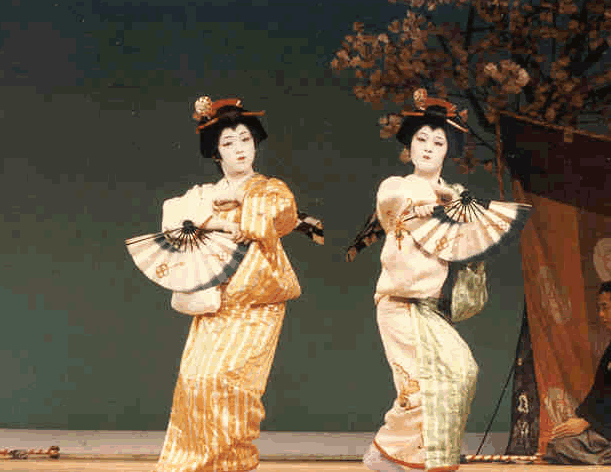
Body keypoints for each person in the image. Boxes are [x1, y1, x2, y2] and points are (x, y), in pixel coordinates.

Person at [154, 96, 301, 472]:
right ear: (216, 153)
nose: (239, 148)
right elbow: (172, 219)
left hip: (257, 303)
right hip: (214, 302)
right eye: (228, 143)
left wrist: (240, 200)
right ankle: (189, 466)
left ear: (255, 144)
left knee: (232, 385)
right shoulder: (204, 195)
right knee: (195, 381)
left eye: (244, 139)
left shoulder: (270, 188)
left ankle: (231, 465)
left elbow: (278, 217)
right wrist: (216, 217)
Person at [362, 91, 482, 472]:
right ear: (409, 145)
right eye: (421, 139)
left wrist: (455, 204)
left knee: (463, 370)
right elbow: (402, 211)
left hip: (432, 307)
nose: (428, 148)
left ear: (448, 151)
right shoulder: (396, 186)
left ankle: (399, 453)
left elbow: (469, 242)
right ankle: (391, 455)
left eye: (438, 142)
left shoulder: (458, 196)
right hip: (399, 302)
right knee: (418, 385)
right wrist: (442, 203)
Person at [544, 281, 611, 465]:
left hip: (607, 429)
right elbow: (599, 392)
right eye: (600, 308)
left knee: (559, 448)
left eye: (605, 308)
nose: (601, 315)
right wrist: (581, 419)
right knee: (557, 444)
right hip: (603, 427)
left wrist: (588, 422)